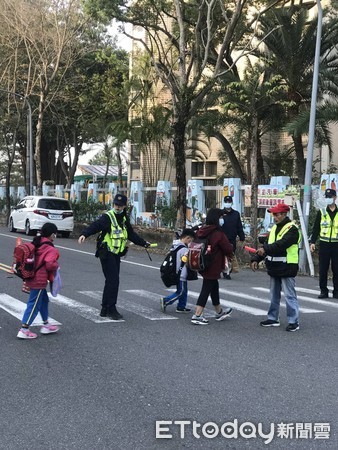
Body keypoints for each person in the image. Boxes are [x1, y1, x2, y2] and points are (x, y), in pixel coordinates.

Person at [78, 194, 150, 320]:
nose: (117, 207)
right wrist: (85, 234)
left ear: (124, 206)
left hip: (116, 253)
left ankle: (105, 309)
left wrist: (143, 243)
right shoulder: (108, 216)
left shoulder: (123, 218)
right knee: (113, 281)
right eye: (116, 204)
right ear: (113, 204)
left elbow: (131, 234)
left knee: (111, 281)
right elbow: (96, 225)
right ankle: (111, 309)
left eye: (120, 205)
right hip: (106, 252)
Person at [250, 203, 301, 332]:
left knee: (289, 295)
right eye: (273, 214)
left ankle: (293, 321)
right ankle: (273, 318)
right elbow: (268, 245)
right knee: (274, 295)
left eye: (277, 214)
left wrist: (264, 249)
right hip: (274, 266)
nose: (274, 217)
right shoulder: (273, 229)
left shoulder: (292, 229)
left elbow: (281, 245)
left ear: (284, 214)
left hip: (287, 266)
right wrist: (257, 258)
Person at [17, 222, 60, 339]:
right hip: (39, 280)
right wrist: (57, 266)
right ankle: (24, 329)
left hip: (32, 276)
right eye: (55, 234)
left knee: (43, 300)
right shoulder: (50, 248)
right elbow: (50, 264)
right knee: (34, 304)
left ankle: (46, 324)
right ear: (52, 235)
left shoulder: (38, 242)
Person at [191, 208, 234, 325]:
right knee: (206, 288)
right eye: (221, 217)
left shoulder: (202, 230)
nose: (222, 220)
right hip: (213, 264)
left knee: (214, 285)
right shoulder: (218, 233)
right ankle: (197, 314)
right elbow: (228, 248)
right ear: (216, 218)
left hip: (202, 263)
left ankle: (219, 311)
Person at [310, 188, 338, 299]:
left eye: (330, 197)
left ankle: (336, 291)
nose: (328, 199)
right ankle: (323, 291)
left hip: (336, 245)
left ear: (335, 198)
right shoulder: (322, 211)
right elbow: (316, 228)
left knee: (337, 269)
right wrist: (312, 241)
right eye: (326, 197)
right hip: (324, 244)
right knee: (323, 269)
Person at [160, 228, 196, 313]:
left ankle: (181, 306)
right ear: (187, 238)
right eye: (190, 239)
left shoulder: (175, 245)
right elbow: (186, 261)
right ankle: (166, 301)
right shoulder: (184, 249)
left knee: (184, 291)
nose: (190, 241)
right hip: (181, 274)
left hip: (177, 273)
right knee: (181, 292)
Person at [221, 195, 245, 279]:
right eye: (226, 202)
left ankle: (228, 271)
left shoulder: (236, 214)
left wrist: (242, 236)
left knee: (230, 255)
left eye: (229, 202)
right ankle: (223, 271)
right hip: (221, 238)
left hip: (232, 238)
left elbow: (239, 226)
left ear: (232, 203)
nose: (228, 203)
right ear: (223, 203)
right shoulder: (220, 213)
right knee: (221, 255)